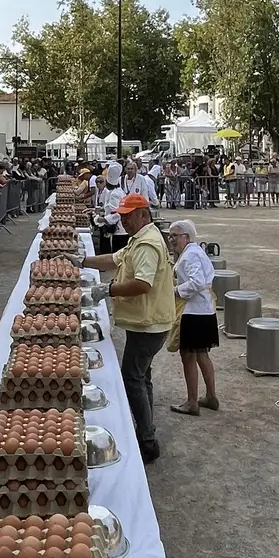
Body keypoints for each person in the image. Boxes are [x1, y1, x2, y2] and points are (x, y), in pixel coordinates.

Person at [81, 192, 174, 465]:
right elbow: (114, 259)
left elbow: (143, 284)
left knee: (132, 378)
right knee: (142, 376)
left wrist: (108, 289)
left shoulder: (147, 244)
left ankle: (147, 441)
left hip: (149, 323)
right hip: (147, 320)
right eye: (121, 216)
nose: (123, 221)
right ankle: (146, 428)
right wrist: (83, 260)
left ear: (143, 214)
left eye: (128, 216)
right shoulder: (139, 238)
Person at [166, 219, 219, 416]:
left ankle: (191, 402)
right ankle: (211, 396)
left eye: (175, 236)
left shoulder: (190, 256)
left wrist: (174, 291)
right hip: (204, 310)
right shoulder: (192, 252)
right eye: (170, 236)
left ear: (186, 237)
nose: (171, 240)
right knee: (202, 354)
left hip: (194, 312)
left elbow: (196, 282)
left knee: (188, 356)